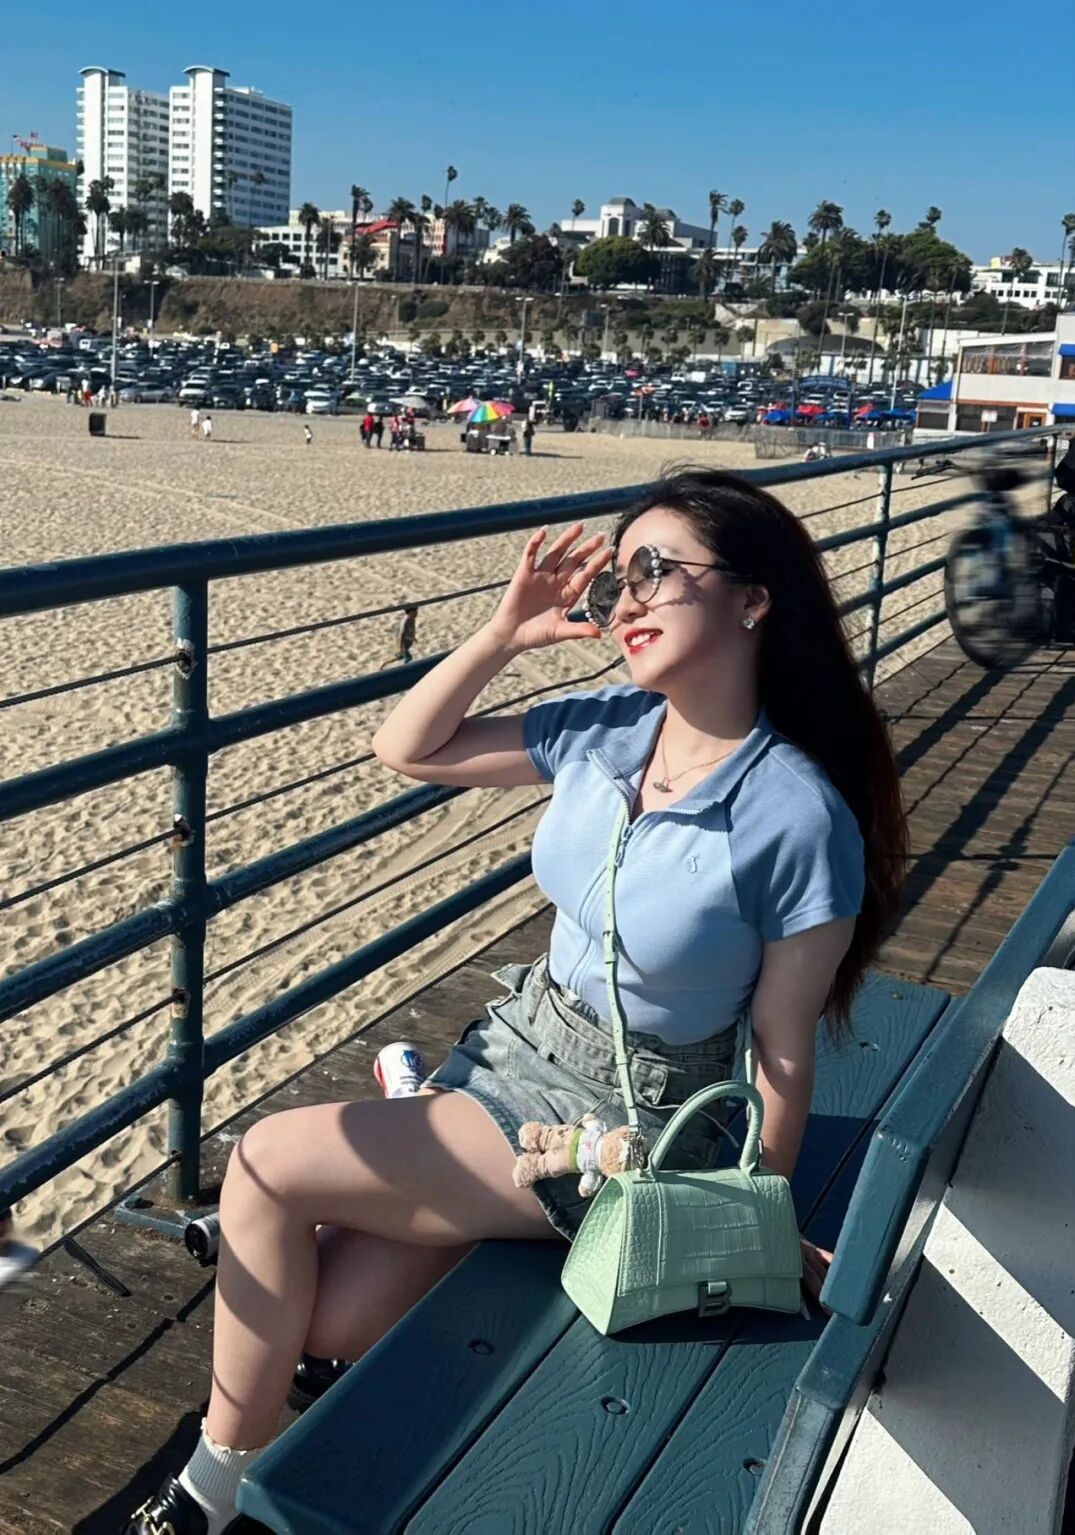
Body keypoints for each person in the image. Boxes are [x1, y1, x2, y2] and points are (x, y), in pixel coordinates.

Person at [122, 468, 908, 1535]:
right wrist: (506, 633)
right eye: (616, 581)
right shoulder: (611, 725)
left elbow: (780, 1048)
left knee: (264, 1166)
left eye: (654, 569)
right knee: (329, 1319)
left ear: (753, 598)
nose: (624, 600)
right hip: (514, 1044)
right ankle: (416, 1121)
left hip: (619, 1118)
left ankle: (211, 1485)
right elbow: (408, 747)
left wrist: (751, 1216)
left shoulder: (796, 816)